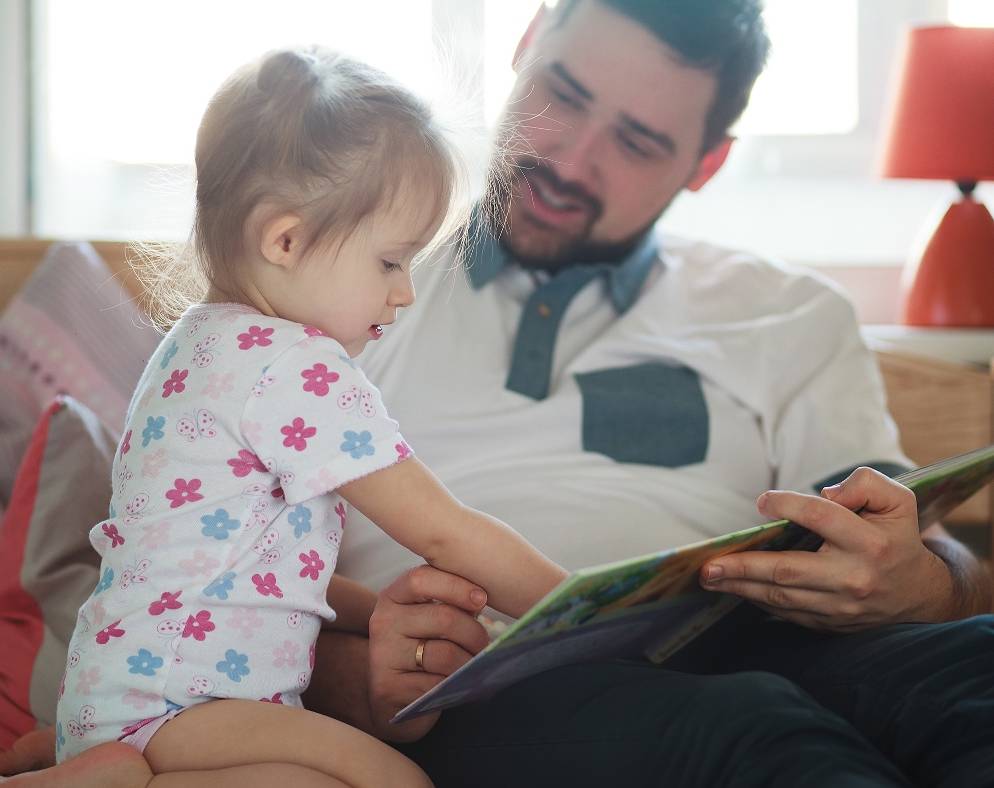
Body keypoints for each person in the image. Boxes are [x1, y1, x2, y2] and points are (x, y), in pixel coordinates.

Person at [297, 1, 993, 786]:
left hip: (767, 648)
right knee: (757, 733)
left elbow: (917, 533)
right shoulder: (329, 293)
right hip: (485, 687)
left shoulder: (789, 313)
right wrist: (363, 683)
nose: (570, 159)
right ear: (525, 47)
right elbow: (204, 589)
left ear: (707, 163)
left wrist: (924, 581)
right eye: (562, 93)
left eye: (637, 141)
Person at [12, 46, 567, 787]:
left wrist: (373, 616)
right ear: (286, 240)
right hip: (181, 700)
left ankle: (81, 767)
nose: (403, 294)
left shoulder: (198, 343)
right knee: (395, 780)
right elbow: (444, 529)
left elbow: (258, 566)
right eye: (391, 262)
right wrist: (584, 610)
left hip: (125, 694)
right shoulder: (294, 368)